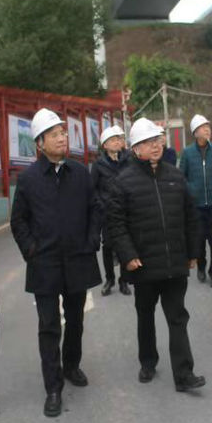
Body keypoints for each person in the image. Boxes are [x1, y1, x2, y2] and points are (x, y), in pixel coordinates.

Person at [10, 108, 101, 418]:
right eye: (54, 134)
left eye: (63, 133)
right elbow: (18, 221)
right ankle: (53, 387)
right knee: (48, 326)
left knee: (75, 320)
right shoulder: (29, 179)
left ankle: (71, 365)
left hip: (77, 260)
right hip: (45, 264)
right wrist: (31, 250)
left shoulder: (80, 173)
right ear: (40, 143)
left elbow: (95, 209)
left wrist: (92, 241)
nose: (62, 138)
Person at [106, 117, 206, 392]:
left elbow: (191, 216)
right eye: (148, 142)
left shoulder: (175, 176)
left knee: (177, 317)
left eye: (157, 140)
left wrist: (194, 251)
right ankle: (148, 362)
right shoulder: (123, 182)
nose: (155, 145)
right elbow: (116, 224)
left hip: (174, 263)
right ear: (135, 148)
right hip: (144, 265)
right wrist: (128, 255)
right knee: (145, 314)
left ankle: (184, 375)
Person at [179, 114, 212, 287]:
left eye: (208, 127)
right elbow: (181, 177)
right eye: (203, 127)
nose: (207, 130)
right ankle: (201, 267)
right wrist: (190, 192)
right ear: (195, 132)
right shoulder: (187, 153)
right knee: (198, 242)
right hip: (196, 207)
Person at [90, 125, 131, 296]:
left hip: (125, 211)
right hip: (107, 214)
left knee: (125, 245)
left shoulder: (127, 160)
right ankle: (110, 280)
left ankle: (124, 281)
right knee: (107, 247)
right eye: (112, 140)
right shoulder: (98, 165)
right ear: (105, 145)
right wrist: (102, 205)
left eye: (118, 139)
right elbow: (92, 189)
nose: (116, 142)